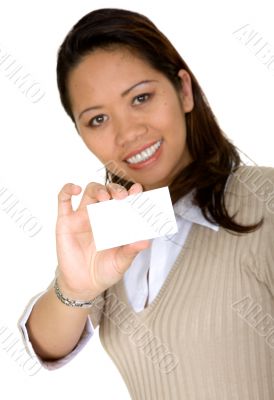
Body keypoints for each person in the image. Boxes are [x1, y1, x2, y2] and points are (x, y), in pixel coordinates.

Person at [18, 7, 274, 399]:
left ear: (184, 91)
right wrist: (75, 285)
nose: (128, 133)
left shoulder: (265, 203)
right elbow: (47, 346)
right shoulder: (118, 227)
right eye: (98, 119)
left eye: (141, 98)